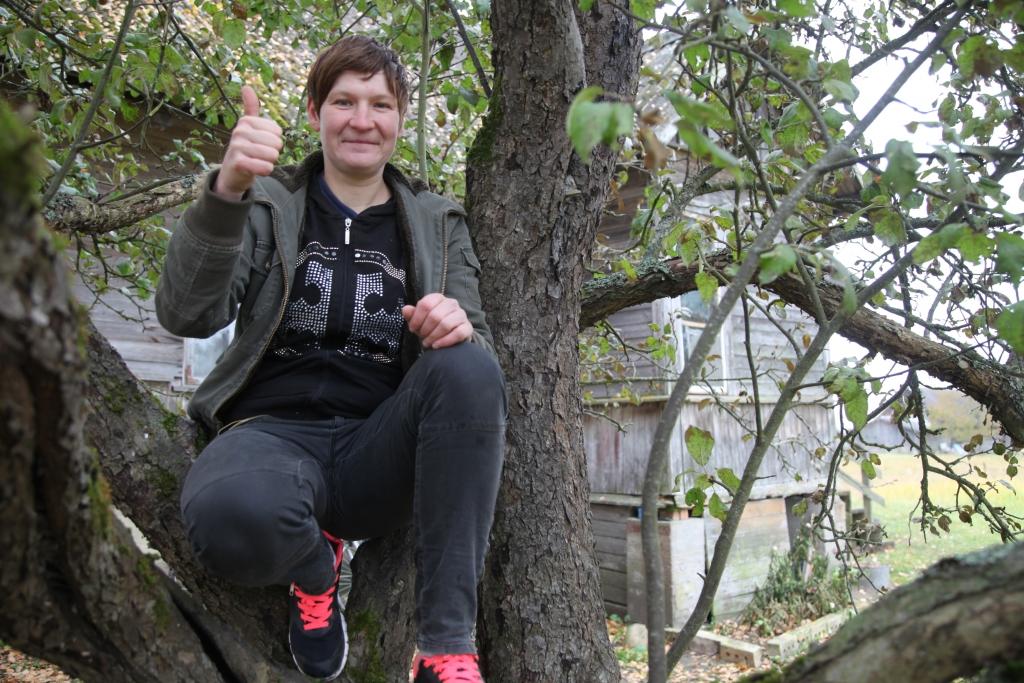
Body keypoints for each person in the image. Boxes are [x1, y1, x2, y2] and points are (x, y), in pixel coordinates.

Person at [156, 35, 505, 683]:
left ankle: (445, 647)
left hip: (379, 447)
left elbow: (475, 370)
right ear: (315, 111)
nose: (362, 119)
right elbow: (186, 314)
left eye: (380, 103)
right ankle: (317, 572)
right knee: (224, 512)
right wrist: (227, 189)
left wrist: (455, 328)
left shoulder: (435, 221)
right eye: (344, 100)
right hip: (269, 437)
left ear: (401, 119)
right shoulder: (269, 202)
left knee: (470, 367)